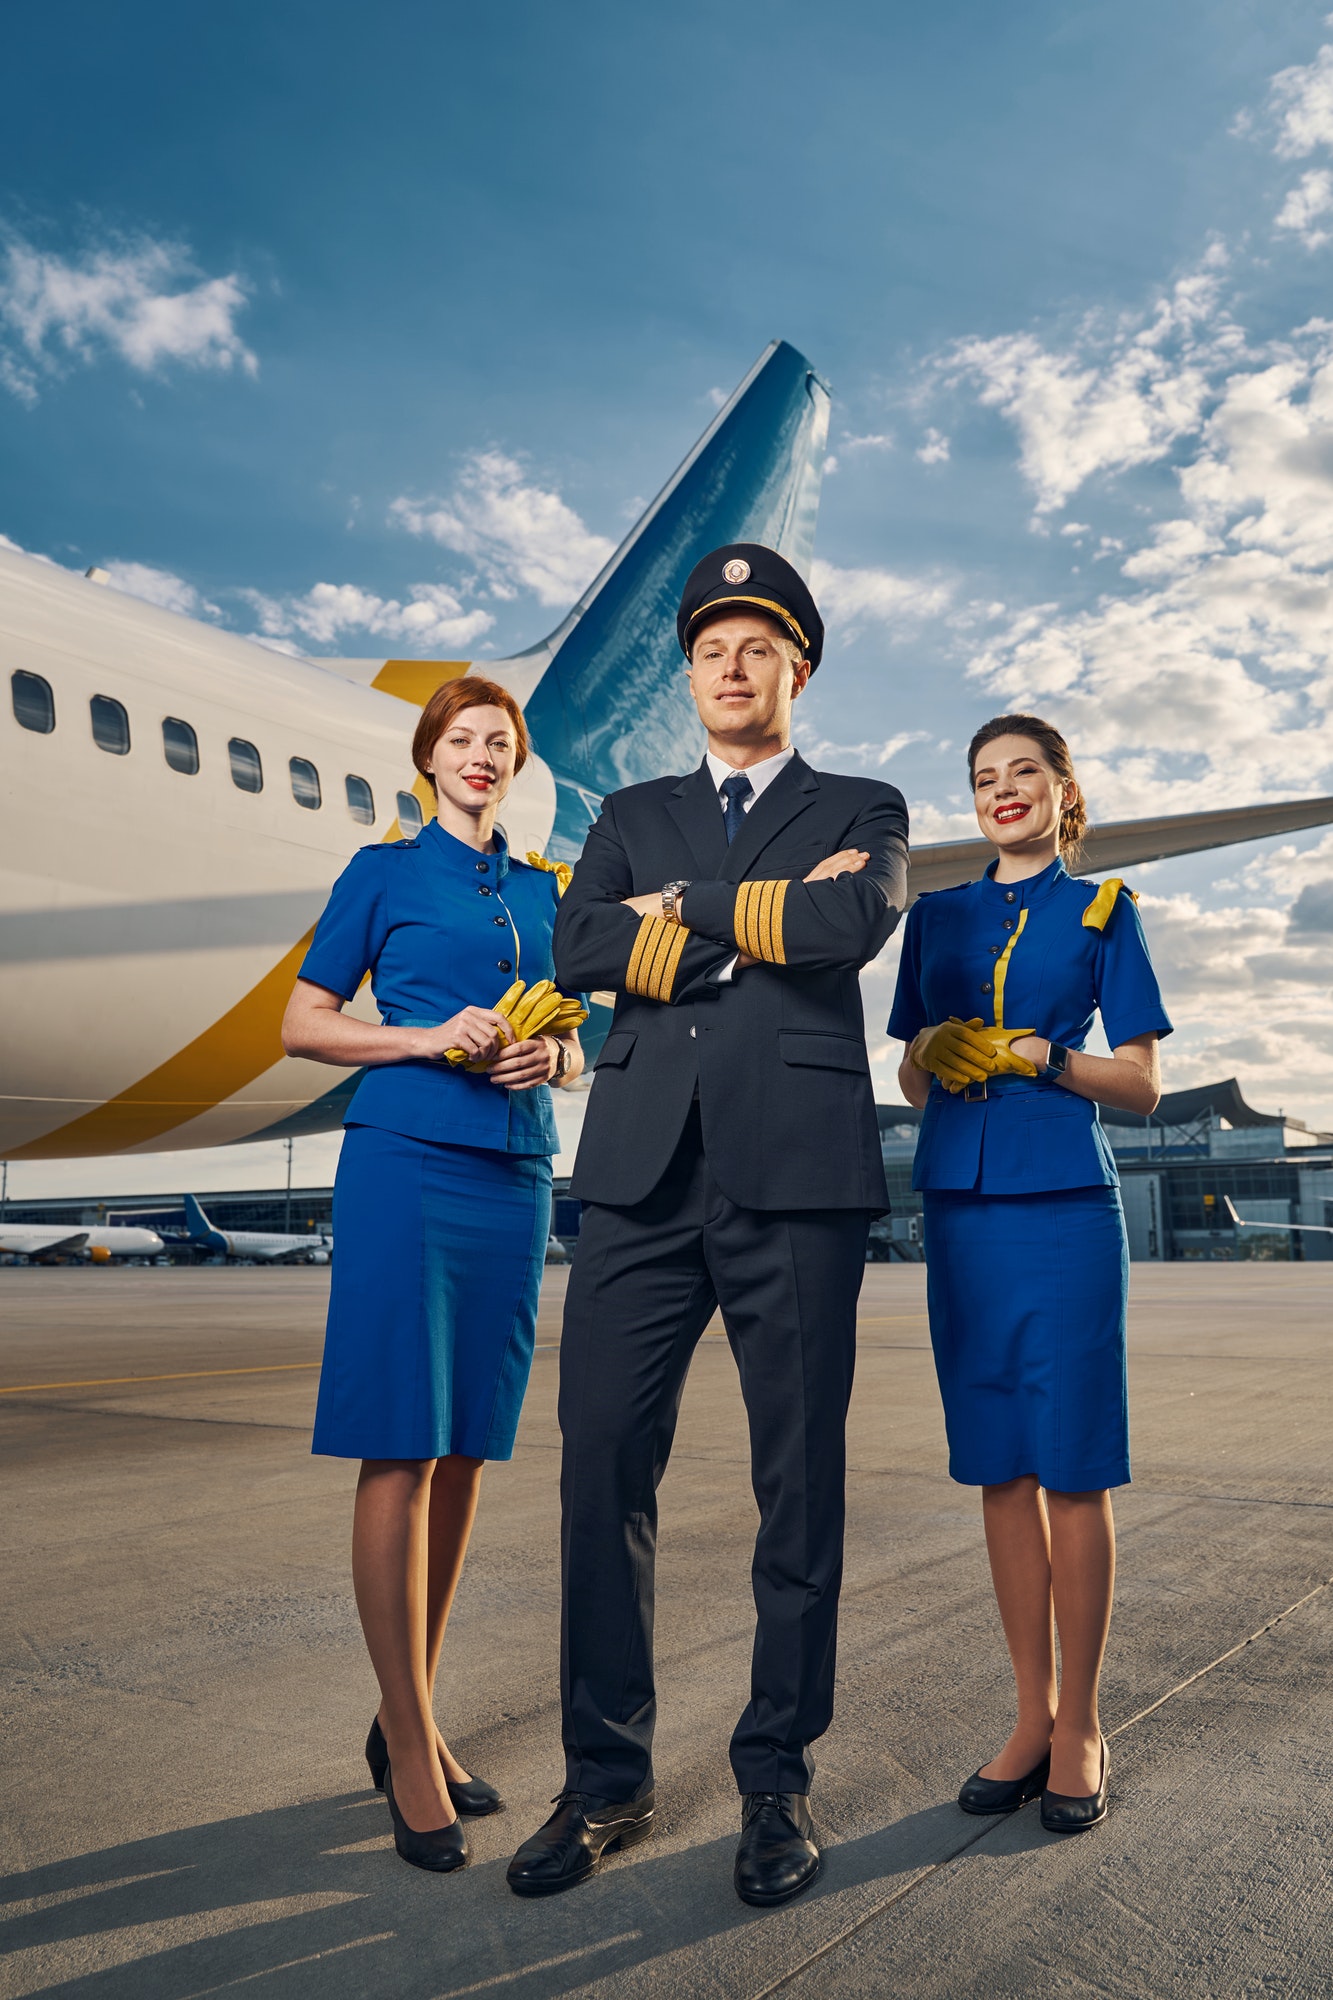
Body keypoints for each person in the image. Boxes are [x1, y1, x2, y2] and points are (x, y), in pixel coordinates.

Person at [505, 544, 909, 1908]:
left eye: (755, 648)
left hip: (795, 1173)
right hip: (637, 1175)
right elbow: (574, 947)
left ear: (796, 666)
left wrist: (678, 917)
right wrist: (757, 925)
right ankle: (604, 1777)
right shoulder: (627, 807)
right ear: (689, 677)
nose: (729, 669)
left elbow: (855, 918)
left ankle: (775, 1778)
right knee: (599, 1472)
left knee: (796, 1488)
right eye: (707, 651)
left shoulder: (866, 804)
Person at [281, 675, 585, 1873]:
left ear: (514, 766)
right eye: (461, 739)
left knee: (467, 1444)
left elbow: (590, 1023)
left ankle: (411, 1702)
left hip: (512, 1174)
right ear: (428, 757)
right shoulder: (382, 872)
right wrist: (424, 1034)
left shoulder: (544, 889)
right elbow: (306, 1021)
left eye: (498, 743)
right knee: (399, 1441)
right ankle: (408, 1739)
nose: (480, 755)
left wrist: (557, 1052)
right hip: (405, 1157)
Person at [888, 713, 1171, 1834]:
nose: (1001, 791)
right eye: (983, 778)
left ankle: (1085, 1723)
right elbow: (911, 1082)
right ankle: (1027, 1713)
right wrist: (932, 1055)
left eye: (1023, 774)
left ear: (1063, 790)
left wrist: (1044, 1056)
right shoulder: (937, 916)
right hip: (960, 1204)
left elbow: (1144, 1083)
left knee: (1072, 1465)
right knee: (999, 1466)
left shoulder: (1104, 910)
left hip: (1061, 1205)